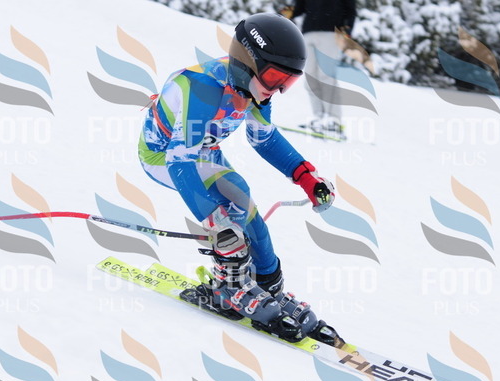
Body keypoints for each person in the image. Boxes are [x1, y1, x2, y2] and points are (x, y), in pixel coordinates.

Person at [138, 13, 343, 346]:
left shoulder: (255, 89)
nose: (277, 89)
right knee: (228, 219)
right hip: (164, 155)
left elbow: (264, 139)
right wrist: (214, 221)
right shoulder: (201, 88)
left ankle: (268, 286)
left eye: (287, 82)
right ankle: (228, 287)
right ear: (247, 63)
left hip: (203, 152)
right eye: (274, 77)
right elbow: (179, 160)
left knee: (245, 205)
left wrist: (306, 176)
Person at [282, 0, 357, 137]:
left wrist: (348, 28)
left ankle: (334, 121)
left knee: (326, 76)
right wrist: (289, 11)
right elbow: (299, 6)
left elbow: (350, 9)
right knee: (310, 77)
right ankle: (318, 117)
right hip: (308, 32)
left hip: (331, 32)